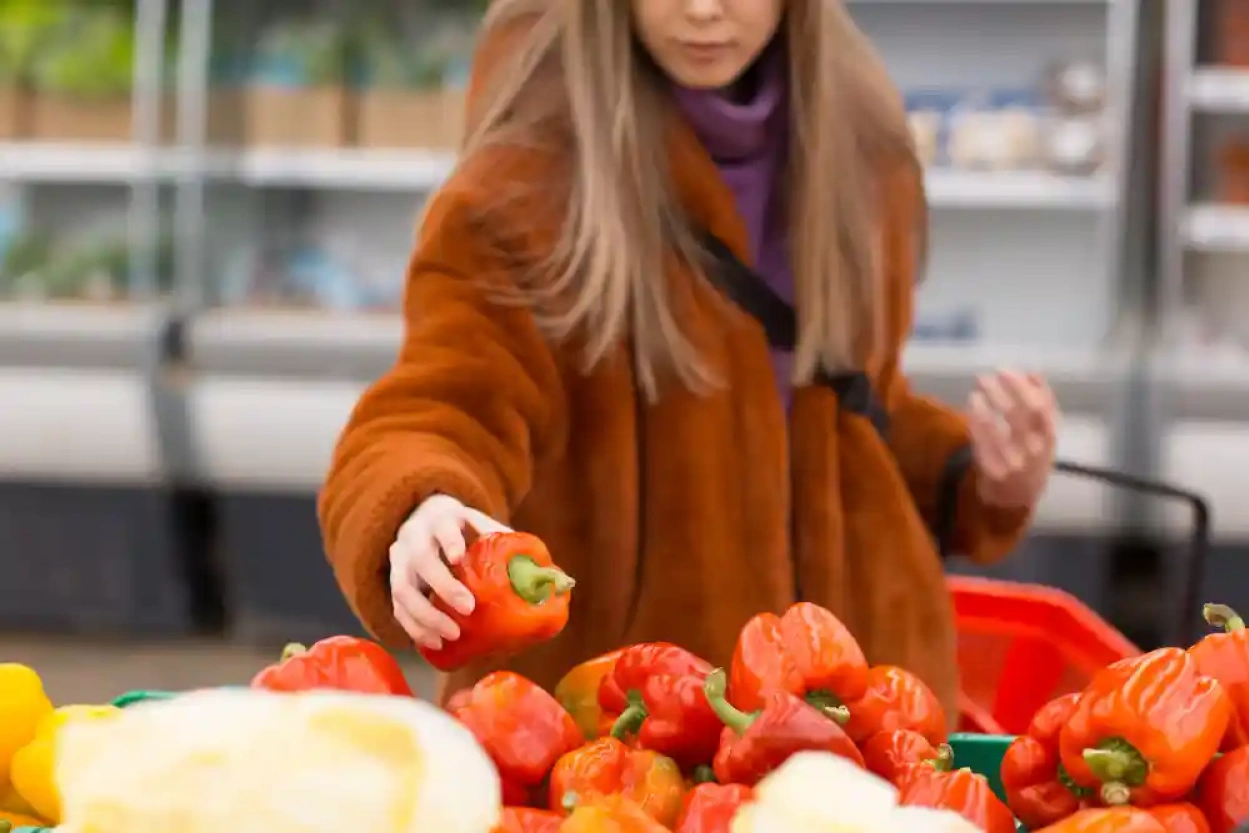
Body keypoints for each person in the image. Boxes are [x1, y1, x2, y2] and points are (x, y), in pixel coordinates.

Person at [318, 0, 1060, 715]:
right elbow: (442, 405)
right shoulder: (524, 191)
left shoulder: (866, 159)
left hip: (859, 715)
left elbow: (851, 414)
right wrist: (422, 505)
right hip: (630, 737)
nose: (704, 9)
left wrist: (979, 475)